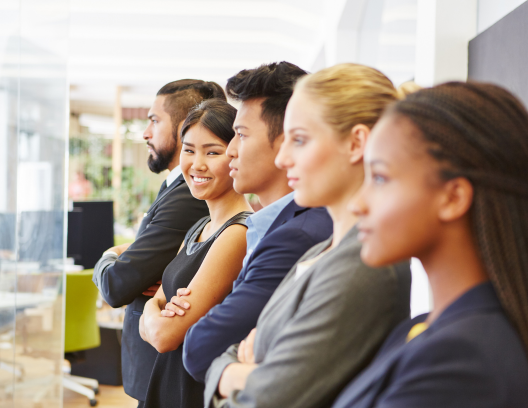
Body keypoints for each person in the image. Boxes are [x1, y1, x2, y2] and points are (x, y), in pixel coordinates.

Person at [203, 63, 412, 408]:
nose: (284, 159)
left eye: (298, 140)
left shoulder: (364, 264)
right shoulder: (322, 250)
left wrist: (229, 374)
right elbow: (228, 354)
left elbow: (267, 398)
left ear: (356, 143)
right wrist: (236, 369)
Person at [332, 82, 528, 408]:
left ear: (452, 197)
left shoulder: (462, 358)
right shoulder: (423, 328)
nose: (358, 203)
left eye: (379, 178)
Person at [165, 62, 334, 383]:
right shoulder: (271, 225)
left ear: (288, 140)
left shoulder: (297, 234)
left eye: (240, 135)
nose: (230, 151)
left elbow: (199, 348)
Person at [92, 80, 224, 405]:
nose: (146, 133)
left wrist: (110, 254)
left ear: (183, 128)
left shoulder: (188, 198)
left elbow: (115, 284)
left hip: (162, 366)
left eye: (154, 120)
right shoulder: (178, 190)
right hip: (153, 362)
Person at [139, 99, 253, 408]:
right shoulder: (200, 226)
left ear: (235, 153)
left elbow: (164, 337)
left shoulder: (237, 232)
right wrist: (156, 309)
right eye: (189, 150)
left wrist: (155, 310)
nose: (196, 164)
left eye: (212, 152)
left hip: (191, 387)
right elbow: (156, 310)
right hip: (166, 380)